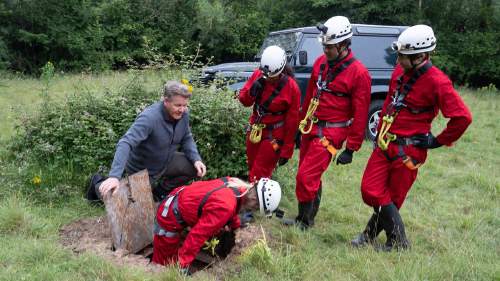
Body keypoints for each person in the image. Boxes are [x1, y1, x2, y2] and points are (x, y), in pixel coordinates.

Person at [351, 25, 472, 251]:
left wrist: (437, 141)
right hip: (386, 143)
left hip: (408, 151)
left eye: (403, 56)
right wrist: (379, 133)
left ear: (420, 57)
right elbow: (390, 100)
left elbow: (462, 117)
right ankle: (391, 239)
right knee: (371, 190)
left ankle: (389, 240)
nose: (398, 59)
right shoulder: (400, 71)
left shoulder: (438, 82)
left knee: (392, 199)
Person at [284, 16, 371, 229]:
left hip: (331, 133)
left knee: (306, 176)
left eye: (330, 47)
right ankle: (306, 217)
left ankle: (304, 221)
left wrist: (351, 148)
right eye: (324, 45)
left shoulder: (359, 74)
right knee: (306, 174)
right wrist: (300, 125)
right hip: (311, 126)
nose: (325, 50)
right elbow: (311, 96)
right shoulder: (321, 64)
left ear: (343, 45)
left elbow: (360, 114)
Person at [86, 80, 207, 202]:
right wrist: (114, 176)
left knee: (194, 167)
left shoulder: (183, 114)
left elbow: (186, 136)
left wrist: (196, 159)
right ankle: (97, 184)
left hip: (166, 161)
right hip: (143, 170)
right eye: (178, 105)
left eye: (185, 105)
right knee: (122, 201)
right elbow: (125, 143)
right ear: (166, 101)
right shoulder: (150, 118)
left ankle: (159, 193)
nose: (182, 109)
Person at [152, 177, 282, 274]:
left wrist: (236, 225)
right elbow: (197, 236)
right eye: (254, 208)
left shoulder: (235, 184)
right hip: (169, 218)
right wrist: (183, 265)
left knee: (171, 259)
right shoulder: (226, 207)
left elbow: (232, 205)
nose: (251, 210)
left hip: (177, 199)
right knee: (161, 265)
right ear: (254, 201)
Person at [238, 45, 301, 182]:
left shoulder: (291, 88)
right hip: (255, 131)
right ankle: (262, 198)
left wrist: (287, 150)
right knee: (252, 167)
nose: (268, 79)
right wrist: (251, 92)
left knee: (259, 174)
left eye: (272, 77)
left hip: (274, 137)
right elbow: (244, 101)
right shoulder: (257, 75)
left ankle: (254, 201)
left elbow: (292, 121)